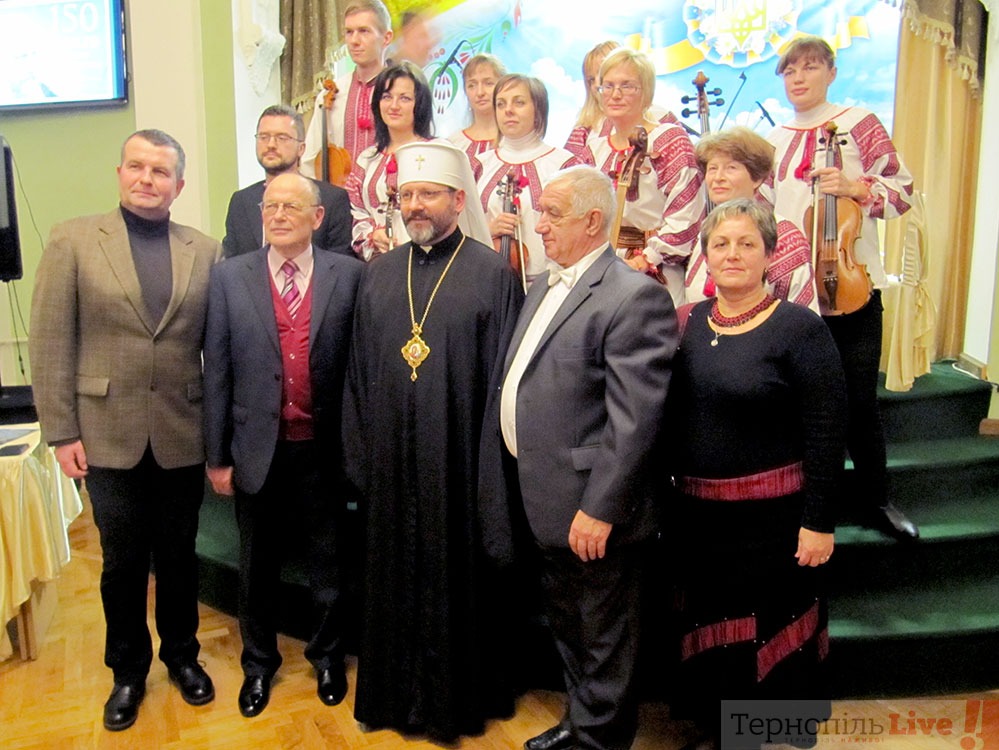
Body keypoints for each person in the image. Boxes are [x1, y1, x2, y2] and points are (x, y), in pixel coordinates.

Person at [479, 165, 677, 750]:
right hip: (544, 496)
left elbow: (635, 422)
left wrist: (601, 508)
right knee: (569, 624)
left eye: (552, 214)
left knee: (604, 635)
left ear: (593, 221)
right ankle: (582, 723)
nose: (538, 225)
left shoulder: (633, 295)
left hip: (592, 509)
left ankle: (601, 741)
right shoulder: (544, 285)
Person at [29, 129, 219, 731]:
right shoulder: (73, 239)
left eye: (160, 171)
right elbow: (51, 342)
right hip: (104, 433)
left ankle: (183, 657)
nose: (146, 179)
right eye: (136, 167)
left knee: (180, 556)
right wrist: (61, 432)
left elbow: (218, 348)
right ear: (119, 174)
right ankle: (128, 671)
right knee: (122, 562)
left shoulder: (204, 250)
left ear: (178, 185)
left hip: (182, 432)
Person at [343, 140, 523, 743]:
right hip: (393, 463)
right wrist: (363, 454)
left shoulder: (493, 274)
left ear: (457, 199)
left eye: (429, 194)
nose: (415, 205)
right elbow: (359, 372)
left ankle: (454, 703)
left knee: (458, 580)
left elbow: (504, 379)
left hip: (461, 463)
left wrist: (490, 468)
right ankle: (393, 698)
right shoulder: (379, 273)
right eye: (407, 195)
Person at [667, 199, 847, 750]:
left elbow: (827, 432)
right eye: (720, 244)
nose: (732, 254)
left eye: (747, 243)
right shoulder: (686, 322)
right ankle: (721, 729)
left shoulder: (800, 329)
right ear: (705, 255)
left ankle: (762, 732)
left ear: (770, 254)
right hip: (700, 519)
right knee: (713, 623)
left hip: (776, 523)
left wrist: (819, 523)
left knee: (768, 625)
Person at [203, 173, 363, 717]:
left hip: (325, 450)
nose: (277, 215)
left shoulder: (350, 276)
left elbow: (359, 371)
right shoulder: (229, 277)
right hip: (257, 449)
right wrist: (217, 456)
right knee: (257, 567)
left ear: (317, 217)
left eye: (291, 206)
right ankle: (258, 664)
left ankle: (327, 657)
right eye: (270, 206)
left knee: (328, 564)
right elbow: (217, 370)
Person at [767, 36, 918, 540]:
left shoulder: (859, 123)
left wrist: (856, 188)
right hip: (794, 292)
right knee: (797, 404)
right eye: (790, 71)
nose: (799, 78)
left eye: (810, 68)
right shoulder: (774, 139)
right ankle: (808, 507)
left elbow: (902, 192)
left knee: (858, 401)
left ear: (831, 72)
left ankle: (879, 499)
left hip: (852, 286)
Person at [580, 47, 704, 306]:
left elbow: (686, 214)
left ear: (646, 92)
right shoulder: (595, 149)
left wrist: (647, 258)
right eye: (608, 86)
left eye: (627, 86)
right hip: (605, 267)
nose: (615, 94)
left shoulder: (669, 139)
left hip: (656, 269)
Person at [685, 126, 816, 311]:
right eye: (712, 168)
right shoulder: (707, 230)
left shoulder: (783, 235)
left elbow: (803, 318)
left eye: (731, 168)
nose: (718, 177)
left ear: (757, 178)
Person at [472, 74, 578, 286]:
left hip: (550, 283)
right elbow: (463, 227)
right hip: (488, 283)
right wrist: (488, 229)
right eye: (501, 104)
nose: (508, 110)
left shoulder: (564, 164)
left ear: (538, 111)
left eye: (519, 102)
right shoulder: (479, 164)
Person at [223, 104, 352, 258]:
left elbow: (340, 265)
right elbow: (231, 264)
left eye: (282, 138)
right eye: (264, 137)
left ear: (301, 148)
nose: (271, 145)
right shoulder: (241, 201)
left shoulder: (332, 200)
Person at [346, 62, 433, 259]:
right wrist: (373, 235)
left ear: (420, 104)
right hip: (378, 262)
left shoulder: (435, 152)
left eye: (404, 98)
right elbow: (356, 211)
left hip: (428, 260)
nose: (394, 106)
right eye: (387, 97)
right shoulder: (366, 159)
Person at [301, 0, 392, 178]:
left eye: (364, 31)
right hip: (340, 194)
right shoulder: (332, 93)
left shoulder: (402, 93)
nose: (354, 41)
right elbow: (310, 162)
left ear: (386, 38)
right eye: (349, 32)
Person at [564, 40, 677, 160]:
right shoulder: (585, 128)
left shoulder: (662, 118)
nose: (597, 84)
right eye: (591, 79)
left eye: (602, 73)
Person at [448, 53, 506, 159]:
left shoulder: (516, 142)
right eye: (472, 85)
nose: (480, 92)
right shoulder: (454, 145)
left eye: (488, 83)